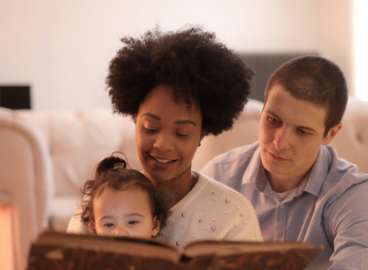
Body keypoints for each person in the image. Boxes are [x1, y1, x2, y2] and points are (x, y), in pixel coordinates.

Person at [67, 26, 263, 246]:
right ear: (134, 119)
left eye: (181, 133)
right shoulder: (101, 204)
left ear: (202, 132)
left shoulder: (233, 214)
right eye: (151, 128)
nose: (162, 144)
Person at [201, 56, 368, 269]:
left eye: (302, 131)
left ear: (331, 134)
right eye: (273, 120)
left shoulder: (352, 192)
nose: (279, 143)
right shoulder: (218, 176)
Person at [79, 155, 169, 240]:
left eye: (132, 222)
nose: (120, 233)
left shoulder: (162, 256)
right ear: (95, 227)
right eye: (109, 224)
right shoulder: (88, 256)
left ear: (154, 226)